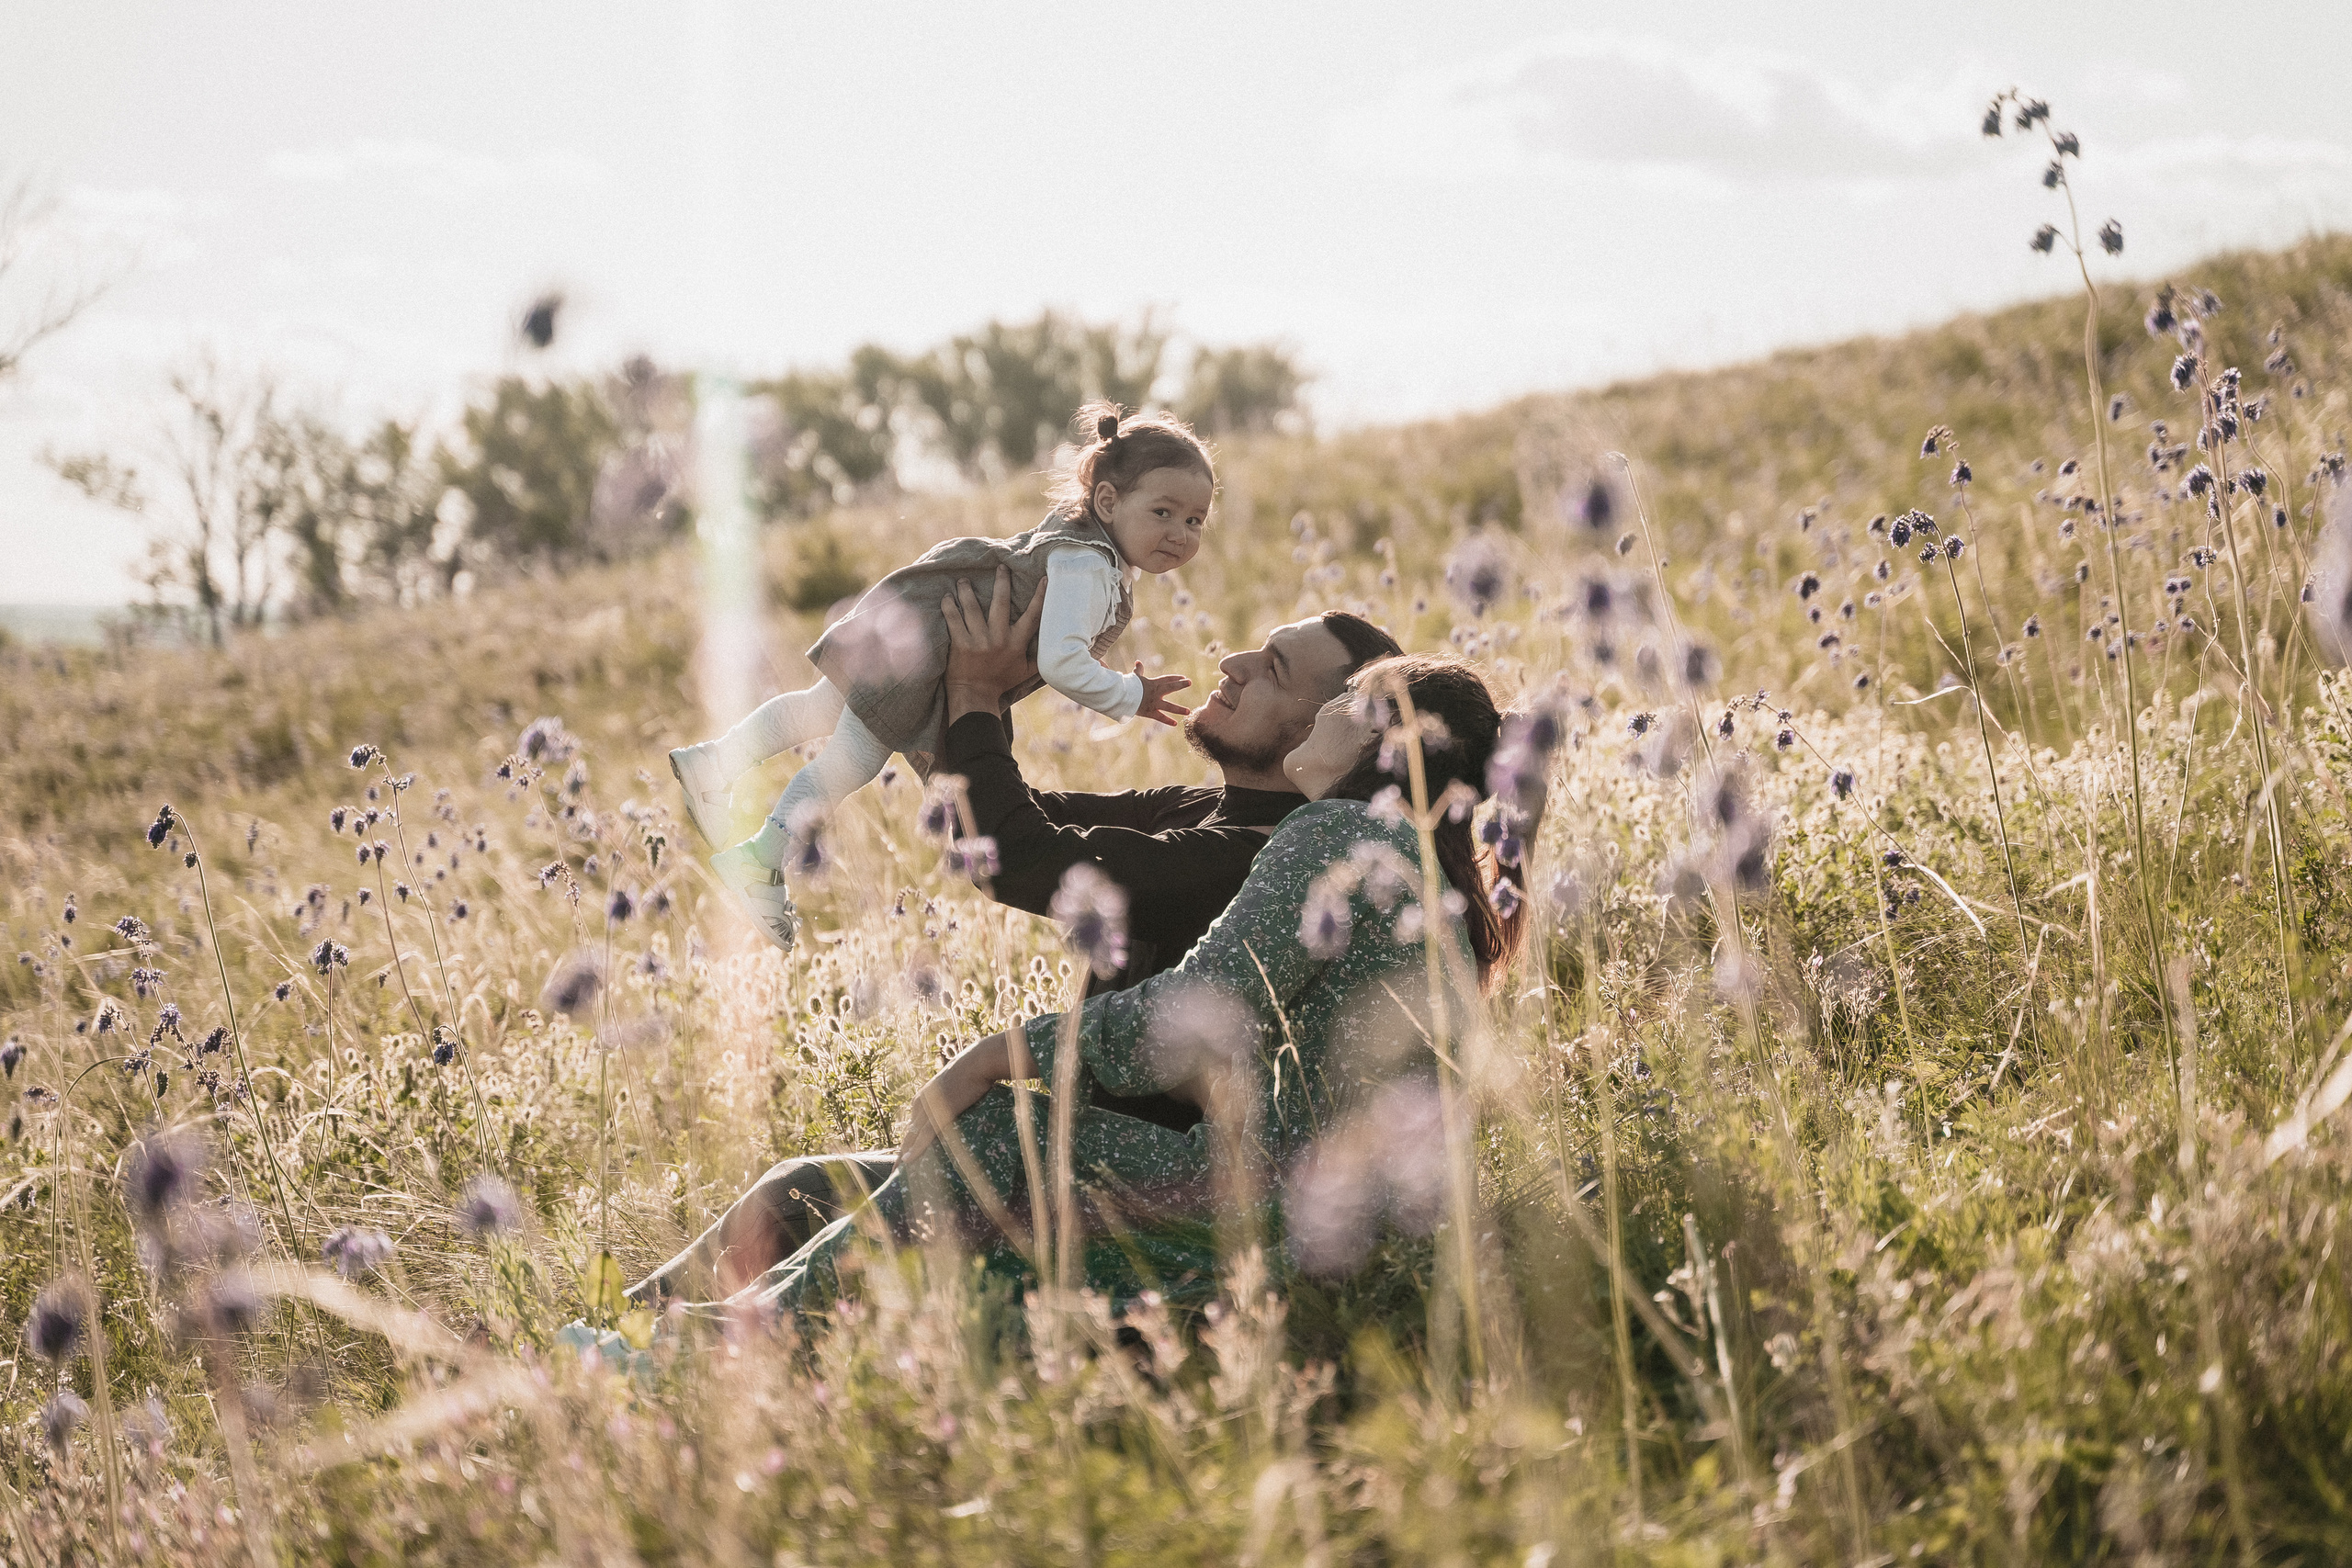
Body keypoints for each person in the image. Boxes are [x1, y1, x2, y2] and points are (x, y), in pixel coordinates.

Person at [628, 581, 1403, 1301]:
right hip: (1063, 1164)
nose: (1231, 663)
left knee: (842, 1237)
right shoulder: (1210, 810)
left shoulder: (1252, 857)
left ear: (1324, 726)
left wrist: (974, 692)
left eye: (1270, 668)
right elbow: (1012, 812)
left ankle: (681, 1352)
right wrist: (942, 699)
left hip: (1120, 1200)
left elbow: (1018, 855)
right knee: (795, 1189)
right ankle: (612, 1330)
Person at [737, 653, 1532, 1325]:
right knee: (865, 1181)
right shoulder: (1425, 869)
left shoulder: (1340, 831)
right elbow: (1029, 828)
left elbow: (1191, 1010)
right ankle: (718, 1326)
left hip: (1278, 1214)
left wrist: (996, 1055)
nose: (1319, 713)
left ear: (1373, 732)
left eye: (1339, 699)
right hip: (1365, 1224)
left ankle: (730, 1341)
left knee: (1009, 1131)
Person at [671, 403, 1213, 953]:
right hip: (932, 650)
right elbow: (1061, 661)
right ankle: (759, 860)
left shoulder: (1081, 543)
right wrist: (1130, 694)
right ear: (1108, 501)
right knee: (852, 760)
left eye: (1195, 521)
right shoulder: (1090, 567)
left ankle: (713, 762)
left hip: (924, 611)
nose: (1180, 533)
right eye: (1163, 512)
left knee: (819, 708)